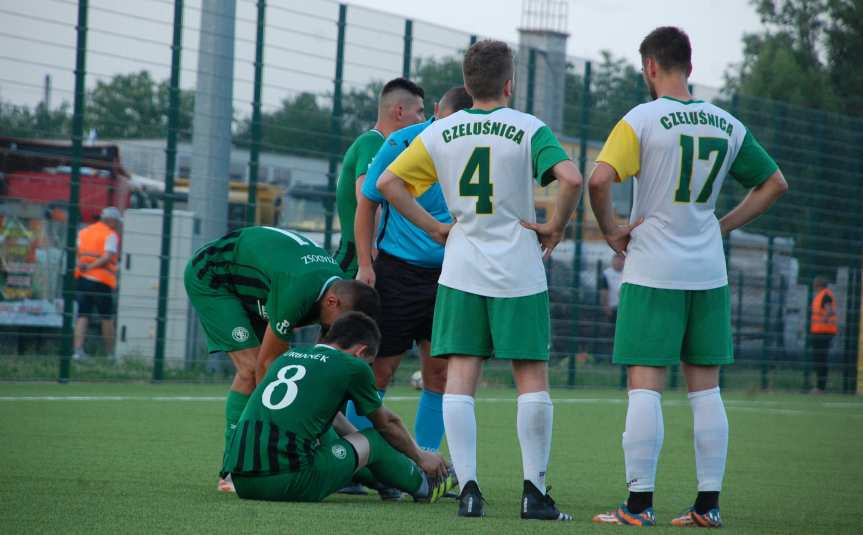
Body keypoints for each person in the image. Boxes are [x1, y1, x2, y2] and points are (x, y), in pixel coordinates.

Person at [588, 27, 788, 527]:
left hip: (653, 269)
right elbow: (774, 183)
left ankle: (637, 506)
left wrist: (612, 229)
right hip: (707, 272)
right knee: (706, 391)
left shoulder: (642, 119)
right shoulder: (726, 123)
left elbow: (598, 178)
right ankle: (708, 505)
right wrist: (720, 225)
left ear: (650, 68)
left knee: (645, 388)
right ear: (690, 68)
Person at [378, 40, 583, 520]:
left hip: (462, 267)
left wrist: (434, 228)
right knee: (530, 378)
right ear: (509, 83)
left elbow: (388, 183)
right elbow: (572, 179)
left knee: (461, 378)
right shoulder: (529, 128)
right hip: (519, 270)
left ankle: (469, 490)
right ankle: (534, 494)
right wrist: (556, 225)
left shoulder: (443, 131)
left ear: (467, 85)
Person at [183, 226, 379, 492]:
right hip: (216, 278)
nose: (345, 333)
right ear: (332, 303)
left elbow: (322, 369)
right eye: (344, 323)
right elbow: (267, 366)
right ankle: (233, 468)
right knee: (251, 370)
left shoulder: (336, 294)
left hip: (259, 285)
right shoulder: (297, 291)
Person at [346, 86, 474, 457]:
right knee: (378, 370)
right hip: (397, 274)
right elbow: (368, 201)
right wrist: (366, 265)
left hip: (450, 275)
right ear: (435, 112)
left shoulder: (477, 149)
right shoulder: (403, 142)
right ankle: (358, 457)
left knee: (440, 374)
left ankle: (425, 462)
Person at [222, 311, 456, 503]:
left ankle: (386, 481)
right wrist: (419, 456)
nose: (368, 368)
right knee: (376, 439)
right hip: (287, 481)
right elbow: (387, 424)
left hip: (243, 482)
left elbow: (331, 420)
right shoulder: (351, 366)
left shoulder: (289, 356)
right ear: (361, 351)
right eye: (369, 363)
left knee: (335, 434)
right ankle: (427, 485)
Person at [333, 77, 426, 278]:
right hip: (357, 266)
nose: (423, 120)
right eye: (419, 111)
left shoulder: (387, 147)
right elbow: (368, 203)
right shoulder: (374, 143)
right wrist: (372, 259)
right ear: (399, 111)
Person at [74, 206, 122, 360]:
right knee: (106, 317)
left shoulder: (84, 232)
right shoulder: (110, 234)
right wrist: (92, 266)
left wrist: (83, 266)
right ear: (111, 220)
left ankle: (78, 352)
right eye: (117, 221)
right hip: (101, 281)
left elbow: (77, 253)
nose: (118, 225)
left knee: (82, 315)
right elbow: (107, 257)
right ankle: (110, 354)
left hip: (82, 279)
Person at [810, 276, 838, 394]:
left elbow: (829, 310)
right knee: (819, 359)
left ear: (818, 284)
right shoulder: (822, 295)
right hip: (819, 331)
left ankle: (821, 387)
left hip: (823, 331)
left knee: (821, 359)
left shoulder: (825, 295)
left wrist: (823, 320)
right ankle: (820, 386)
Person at [600, 252, 625, 360]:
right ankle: (609, 358)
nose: (619, 262)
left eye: (621, 259)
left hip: (625, 309)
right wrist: (606, 307)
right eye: (617, 259)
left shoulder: (627, 272)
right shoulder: (606, 274)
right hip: (612, 309)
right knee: (611, 334)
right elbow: (604, 292)